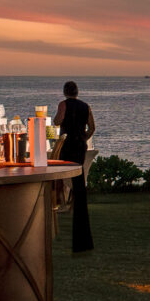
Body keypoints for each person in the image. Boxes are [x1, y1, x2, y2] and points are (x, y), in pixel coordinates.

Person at [56, 81, 97, 253]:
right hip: (80, 145)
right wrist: (84, 137)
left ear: (65, 92)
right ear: (77, 92)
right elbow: (92, 128)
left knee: (58, 173)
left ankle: (60, 201)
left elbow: (58, 121)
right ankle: (79, 213)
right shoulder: (86, 106)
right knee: (79, 179)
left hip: (67, 145)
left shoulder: (63, 104)